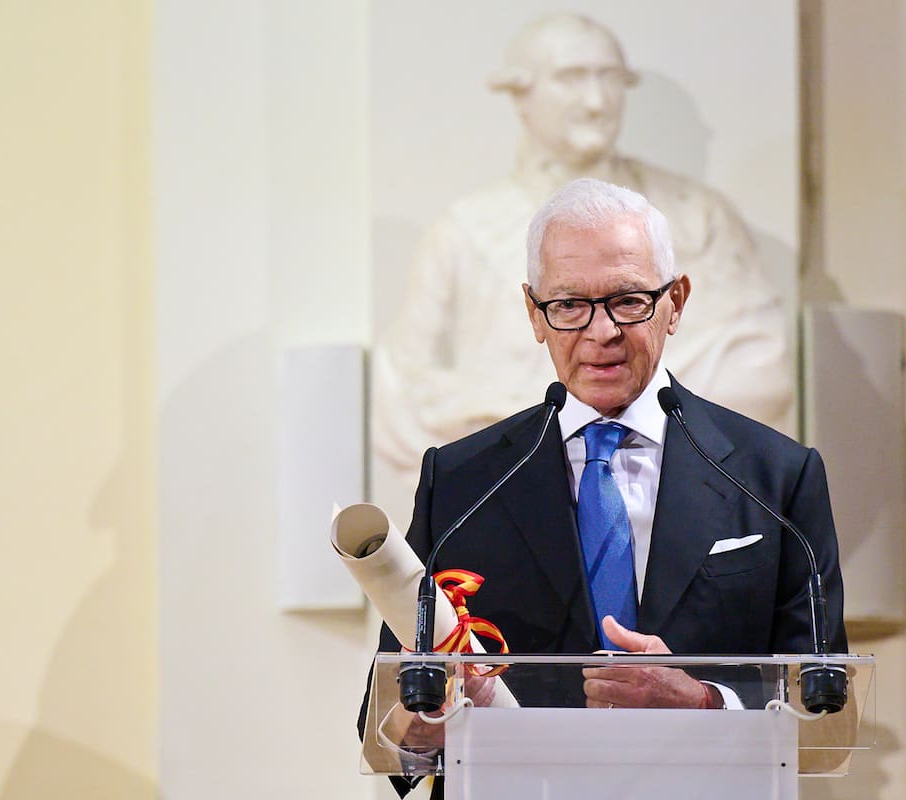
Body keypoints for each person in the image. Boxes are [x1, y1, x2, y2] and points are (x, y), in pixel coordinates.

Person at [360, 178, 846, 795]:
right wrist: (425, 722)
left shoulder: (776, 477)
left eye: (627, 300)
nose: (601, 332)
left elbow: (829, 719)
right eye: (568, 306)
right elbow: (383, 728)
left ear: (676, 302)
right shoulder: (461, 485)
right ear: (535, 315)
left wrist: (702, 703)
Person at [372, 12, 796, 492]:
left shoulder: (698, 216)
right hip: (516, 494)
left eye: (609, 79)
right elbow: (404, 386)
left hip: (675, 489)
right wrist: (527, 415)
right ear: (520, 95)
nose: (596, 102)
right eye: (571, 79)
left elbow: (764, 369)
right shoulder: (462, 231)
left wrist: (632, 405)